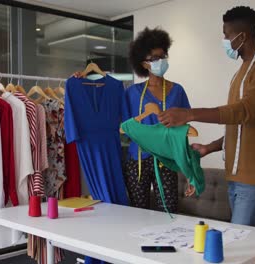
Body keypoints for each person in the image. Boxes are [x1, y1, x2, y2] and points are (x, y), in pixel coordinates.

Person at [158, 6, 255, 226]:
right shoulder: (241, 71)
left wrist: (189, 114)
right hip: (236, 176)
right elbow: (240, 126)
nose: (224, 39)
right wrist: (211, 147)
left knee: (239, 244)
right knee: (240, 243)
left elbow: (246, 111)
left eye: (226, 34)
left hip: (253, 177)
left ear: (242, 36)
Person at [73, 27, 195, 214]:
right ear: (144, 63)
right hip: (137, 159)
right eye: (155, 58)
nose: (160, 61)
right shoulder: (132, 93)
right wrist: (83, 79)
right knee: (137, 213)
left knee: (169, 211)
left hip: (166, 159)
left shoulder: (177, 91)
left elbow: (184, 132)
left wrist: (189, 169)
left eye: (163, 56)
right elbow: (117, 120)